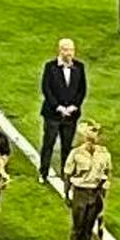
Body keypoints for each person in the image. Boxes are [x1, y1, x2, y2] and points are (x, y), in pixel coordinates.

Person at [63, 121, 111, 240]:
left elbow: (108, 172)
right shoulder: (76, 153)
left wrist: (105, 188)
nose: (93, 137)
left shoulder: (104, 153)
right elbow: (68, 174)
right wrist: (67, 193)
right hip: (80, 191)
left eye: (95, 133)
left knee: (89, 228)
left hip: (95, 192)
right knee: (78, 227)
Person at [39, 38, 87, 183]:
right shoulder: (50, 67)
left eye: (71, 50)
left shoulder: (79, 67)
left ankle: (65, 172)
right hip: (53, 114)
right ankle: (43, 172)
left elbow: (82, 89)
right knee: (49, 144)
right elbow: (46, 89)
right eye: (66, 50)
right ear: (60, 50)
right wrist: (58, 107)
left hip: (71, 115)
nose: (69, 53)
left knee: (67, 146)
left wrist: (74, 106)